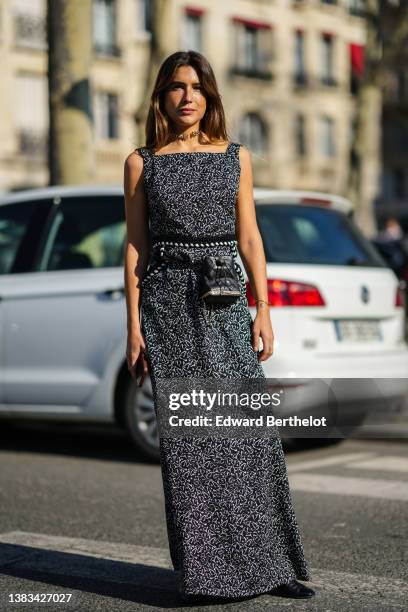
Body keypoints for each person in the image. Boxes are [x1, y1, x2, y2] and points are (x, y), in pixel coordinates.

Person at [123, 50, 315, 604]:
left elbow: (250, 238)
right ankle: (206, 576)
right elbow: (136, 246)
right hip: (167, 309)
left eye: (197, 87)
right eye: (177, 88)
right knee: (190, 443)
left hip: (226, 302)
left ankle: (273, 565)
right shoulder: (142, 162)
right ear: (161, 97)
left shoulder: (235, 157)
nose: (188, 97)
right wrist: (133, 326)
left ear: (209, 97)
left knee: (247, 437)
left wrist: (265, 308)